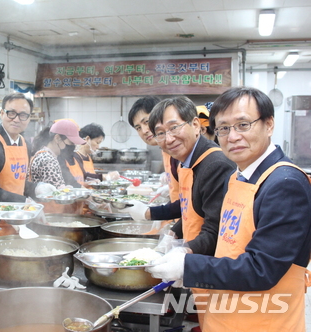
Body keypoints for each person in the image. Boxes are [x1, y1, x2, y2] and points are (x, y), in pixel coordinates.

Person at [147, 87, 311, 331]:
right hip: (226, 313)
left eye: (243, 125)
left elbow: (262, 269)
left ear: (268, 125)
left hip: (263, 321)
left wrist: (188, 266)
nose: (232, 136)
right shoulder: (237, 177)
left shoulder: (284, 184)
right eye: (224, 128)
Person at [122, 96, 236, 330]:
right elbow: (190, 207)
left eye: (174, 128)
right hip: (199, 257)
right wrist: (173, 234)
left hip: (211, 264)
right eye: (160, 132)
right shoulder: (187, 160)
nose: (168, 138)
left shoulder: (214, 163)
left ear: (195, 125)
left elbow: (216, 229)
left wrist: (184, 252)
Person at [0, 93, 55, 204]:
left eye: (23, 115)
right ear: (2, 114)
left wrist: (37, 188)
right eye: (11, 113)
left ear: (29, 118)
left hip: (18, 214)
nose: (16, 119)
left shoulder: (25, 143)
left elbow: (18, 182)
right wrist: (23, 201)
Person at [128, 96, 179, 203]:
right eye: (138, 128)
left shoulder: (178, 150)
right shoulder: (165, 150)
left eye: (146, 122)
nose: (144, 131)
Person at [30, 119, 86, 188]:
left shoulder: (46, 155)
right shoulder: (48, 160)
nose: (72, 147)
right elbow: (55, 195)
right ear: (57, 138)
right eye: (71, 143)